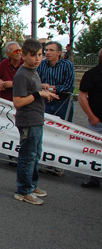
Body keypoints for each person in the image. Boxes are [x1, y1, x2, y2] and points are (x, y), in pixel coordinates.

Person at [12, 39, 58, 205]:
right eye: (33, 55)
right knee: (28, 156)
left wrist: (43, 90)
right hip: (28, 121)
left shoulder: (33, 72)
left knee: (35, 155)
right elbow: (18, 102)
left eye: (40, 55)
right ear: (24, 56)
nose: (38, 59)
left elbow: (33, 91)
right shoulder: (22, 75)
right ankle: (23, 190)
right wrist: (39, 94)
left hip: (36, 119)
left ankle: (31, 184)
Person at [78, 48, 102, 188]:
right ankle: (94, 178)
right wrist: (92, 117)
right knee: (95, 150)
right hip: (97, 122)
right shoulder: (91, 75)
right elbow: (81, 96)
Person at [38, 41, 75, 122]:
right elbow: (35, 81)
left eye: (51, 50)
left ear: (59, 53)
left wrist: (54, 88)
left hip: (62, 102)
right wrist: (42, 85)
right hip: (45, 102)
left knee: (63, 128)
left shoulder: (67, 65)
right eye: (46, 50)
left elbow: (69, 86)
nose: (47, 53)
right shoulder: (41, 64)